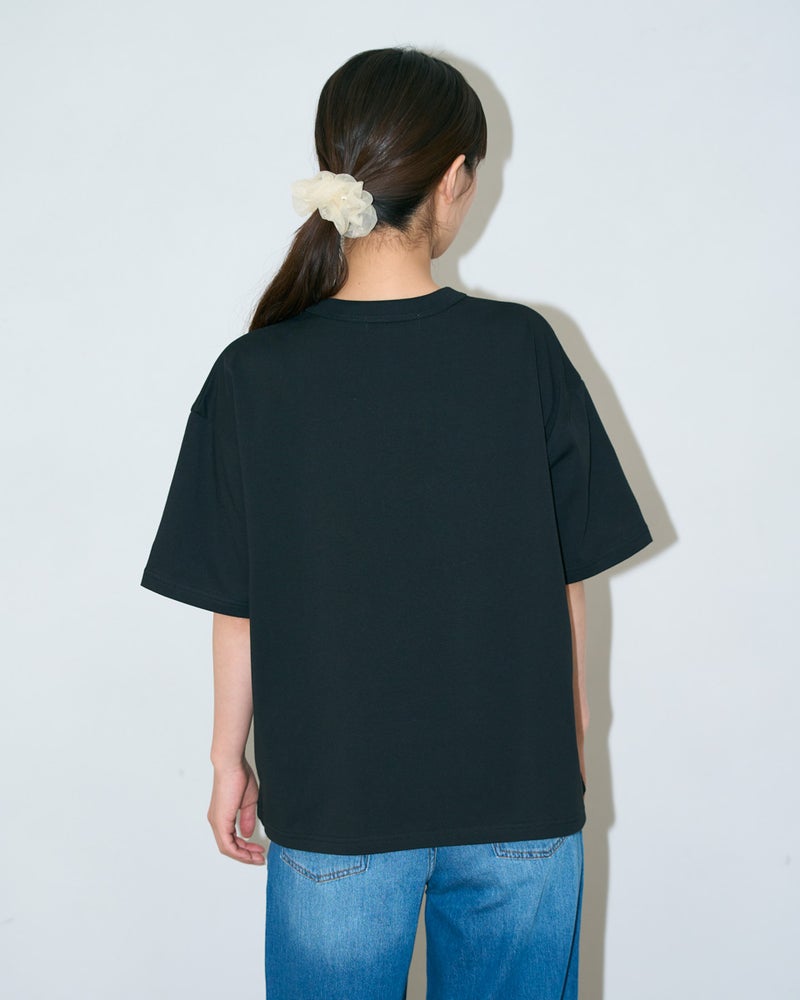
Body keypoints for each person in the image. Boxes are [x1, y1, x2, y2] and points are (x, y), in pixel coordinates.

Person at [140, 46, 653, 1000]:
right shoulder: (523, 349)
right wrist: (567, 749)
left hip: (334, 805)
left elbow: (235, 605)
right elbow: (566, 582)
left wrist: (225, 761)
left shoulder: (255, 373)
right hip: (521, 801)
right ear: (454, 179)